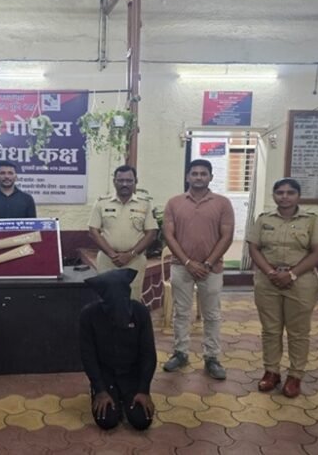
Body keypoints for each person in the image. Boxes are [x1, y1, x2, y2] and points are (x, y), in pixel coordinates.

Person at [246, 178, 318, 398]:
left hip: (300, 281)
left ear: (298, 196)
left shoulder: (311, 220)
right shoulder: (264, 219)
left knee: (298, 331)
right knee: (270, 329)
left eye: (290, 193)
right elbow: (254, 248)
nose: (285, 196)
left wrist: (291, 274)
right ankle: (271, 371)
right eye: (280, 192)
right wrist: (270, 272)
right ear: (273, 195)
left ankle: (295, 375)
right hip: (268, 280)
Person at [161, 159, 234, 380]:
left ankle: (212, 357)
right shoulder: (174, 203)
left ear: (211, 177)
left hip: (212, 269)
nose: (199, 177)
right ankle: (180, 353)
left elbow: (227, 236)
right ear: (187, 177)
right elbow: (169, 235)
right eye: (195, 173)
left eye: (203, 173)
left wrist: (208, 263)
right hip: (181, 267)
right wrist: (187, 262)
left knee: (212, 314)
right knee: (181, 312)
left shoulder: (222, 203)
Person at [79, 268, 156, 431]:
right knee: (107, 421)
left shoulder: (140, 312)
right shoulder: (88, 315)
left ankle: (127, 397)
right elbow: (88, 356)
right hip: (105, 375)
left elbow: (148, 354)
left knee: (142, 421)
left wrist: (144, 390)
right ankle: (107, 394)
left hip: (132, 374)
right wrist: (100, 389)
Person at [87, 165, 158, 301]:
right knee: (107, 299)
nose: (125, 184)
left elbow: (151, 233)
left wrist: (130, 255)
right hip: (107, 260)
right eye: (120, 180)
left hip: (135, 260)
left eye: (129, 180)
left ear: (136, 181)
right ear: (114, 181)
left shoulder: (144, 204)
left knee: (132, 299)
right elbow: (93, 231)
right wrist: (112, 254)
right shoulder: (102, 203)